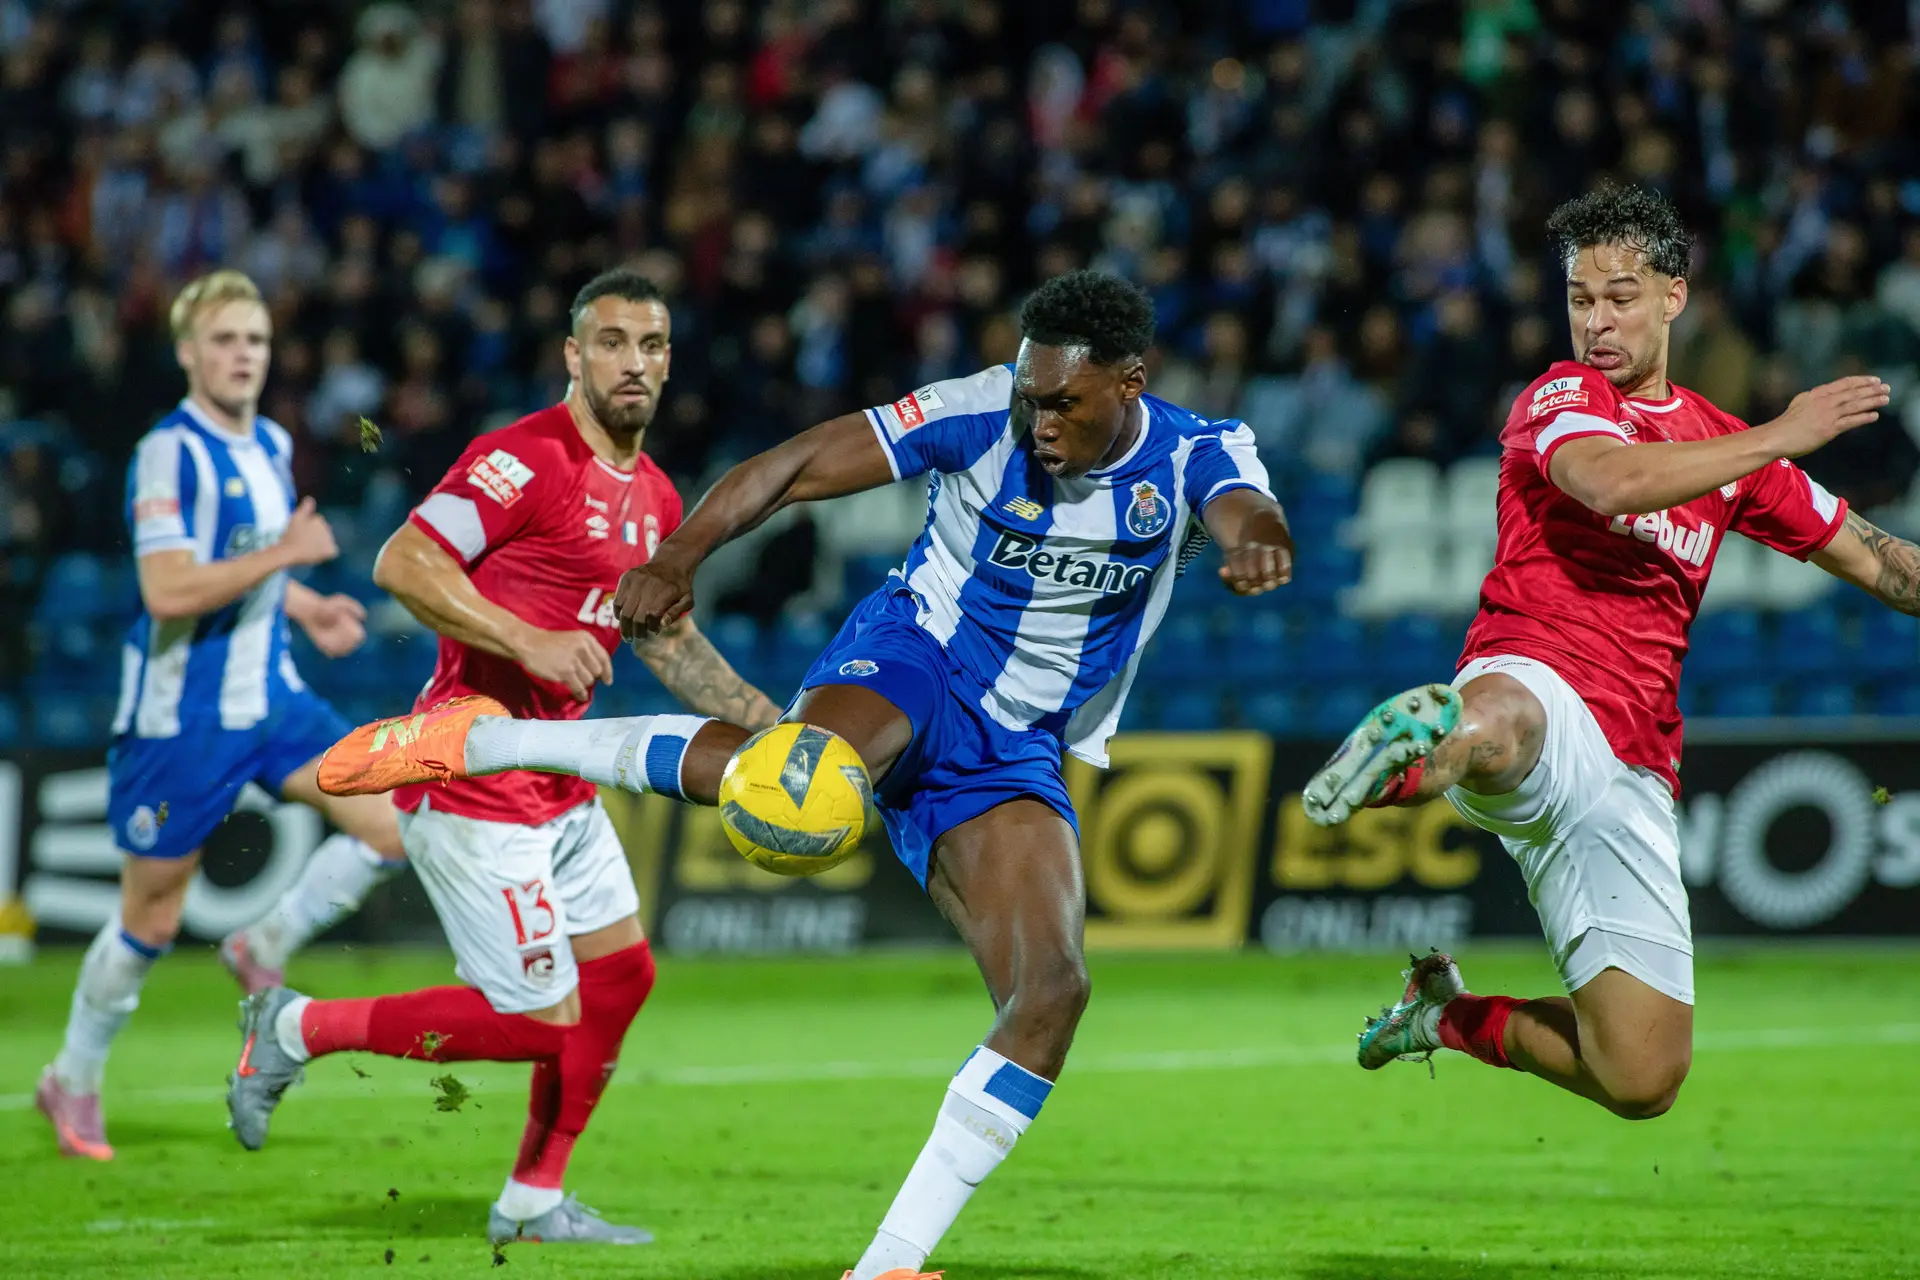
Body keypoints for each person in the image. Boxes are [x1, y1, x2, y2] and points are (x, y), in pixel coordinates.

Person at [315, 269, 1293, 1277]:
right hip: (918, 656)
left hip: (1017, 744)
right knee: (794, 783)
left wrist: (1259, 540)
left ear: (1131, 382)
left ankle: (888, 1262)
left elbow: (1245, 509)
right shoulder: (973, 413)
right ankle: (486, 738)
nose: (1038, 419)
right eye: (1029, 395)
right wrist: (681, 553)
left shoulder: (1197, 450)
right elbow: (789, 469)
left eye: (1063, 402)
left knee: (1051, 992)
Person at [1302, 184, 1905, 1120]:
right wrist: (1784, 431)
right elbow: (1613, 480)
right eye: (1581, 299)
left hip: (1634, 767)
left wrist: (1768, 451)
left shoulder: (1728, 453)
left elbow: (1885, 567)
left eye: (1621, 296)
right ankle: (1419, 754)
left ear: (1674, 296)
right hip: (1536, 675)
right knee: (1505, 723)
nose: (1597, 322)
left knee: (1642, 1079)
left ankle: (1443, 1015)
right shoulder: (1560, 398)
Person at [224, 268, 780, 1246]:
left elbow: (662, 638)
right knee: (533, 1020)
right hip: (473, 775)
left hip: (559, 786)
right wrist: (524, 639)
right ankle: (293, 1027)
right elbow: (404, 559)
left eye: (651, 344)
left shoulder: (655, 496)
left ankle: (531, 1201)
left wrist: (770, 725)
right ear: (573, 355)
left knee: (622, 978)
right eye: (610, 341)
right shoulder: (524, 460)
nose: (633, 362)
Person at [35, 270, 404, 1161]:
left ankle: (262, 942)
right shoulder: (171, 452)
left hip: (272, 702)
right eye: (227, 340)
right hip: (182, 721)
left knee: (396, 827)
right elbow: (166, 590)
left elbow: (248, 566)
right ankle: (72, 1081)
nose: (244, 356)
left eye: (257, 341)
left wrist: (304, 602)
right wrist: (285, 554)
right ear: (189, 353)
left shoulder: (271, 443)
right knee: (150, 922)